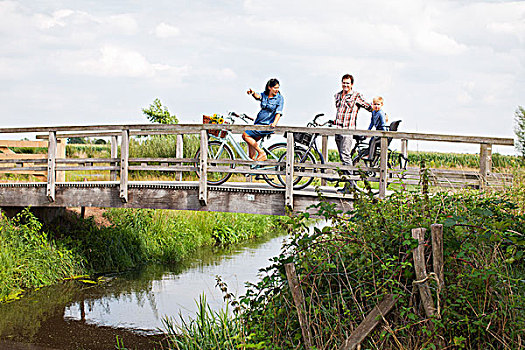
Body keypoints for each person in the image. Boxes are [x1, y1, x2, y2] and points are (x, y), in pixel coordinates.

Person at [333, 74, 372, 192]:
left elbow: (369, 107)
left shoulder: (356, 96)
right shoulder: (337, 95)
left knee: (345, 156)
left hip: (348, 130)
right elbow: (339, 111)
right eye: (344, 82)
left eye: (347, 83)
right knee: (343, 157)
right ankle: (348, 185)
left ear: (352, 84)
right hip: (337, 129)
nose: (345, 85)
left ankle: (351, 186)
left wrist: (379, 113)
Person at [243, 78, 284, 161]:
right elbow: (258, 96)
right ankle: (253, 167)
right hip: (258, 123)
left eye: (278, 88)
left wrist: (274, 123)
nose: (277, 90)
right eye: (275, 88)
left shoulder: (279, 98)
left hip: (267, 125)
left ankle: (261, 153)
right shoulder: (264, 95)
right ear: (269, 87)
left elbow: (278, 112)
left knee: (245, 135)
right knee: (251, 142)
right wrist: (253, 93)